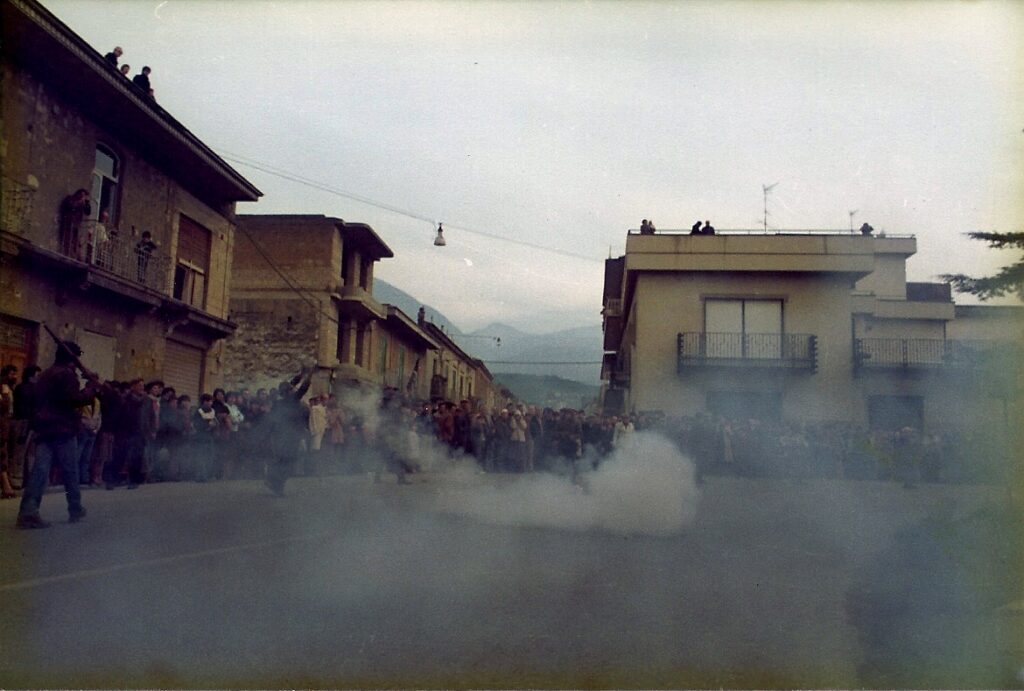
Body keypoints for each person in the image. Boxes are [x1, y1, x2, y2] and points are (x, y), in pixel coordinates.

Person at [16, 341, 102, 528]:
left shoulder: (45, 375)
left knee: (40, 471)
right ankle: (75, 508)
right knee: (70, 471)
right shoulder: (67, 375)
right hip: (63, 429)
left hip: (45, 429)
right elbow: (73, 400)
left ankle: (28, 511)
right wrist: (91, 388)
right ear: (72, 358)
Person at [265, 366, 313, 496]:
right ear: (287, 392)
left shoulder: (279, 402)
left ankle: (274, 482)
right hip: (288, 436)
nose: (293, 390)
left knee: (283, 461)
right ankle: (276, 483)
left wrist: (301, 375)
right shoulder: (290, 400)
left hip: (285, 435)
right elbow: (302, 389)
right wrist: (308, 377)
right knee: (287, 462)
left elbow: (292, 384)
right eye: (291, 390)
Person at [60, 189, 91, 259]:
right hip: (68, 224)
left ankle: (76, 257)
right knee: (67, 241)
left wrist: (87, 203)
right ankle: (67, 255)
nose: (82, 197)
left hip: (75, 226)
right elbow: (70, 207)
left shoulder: (82, 203)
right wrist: (79, 202)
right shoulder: (70, 199)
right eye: (82, 195)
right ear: (78, 194)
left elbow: (88, 212)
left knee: (76, 243)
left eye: (84, 196)